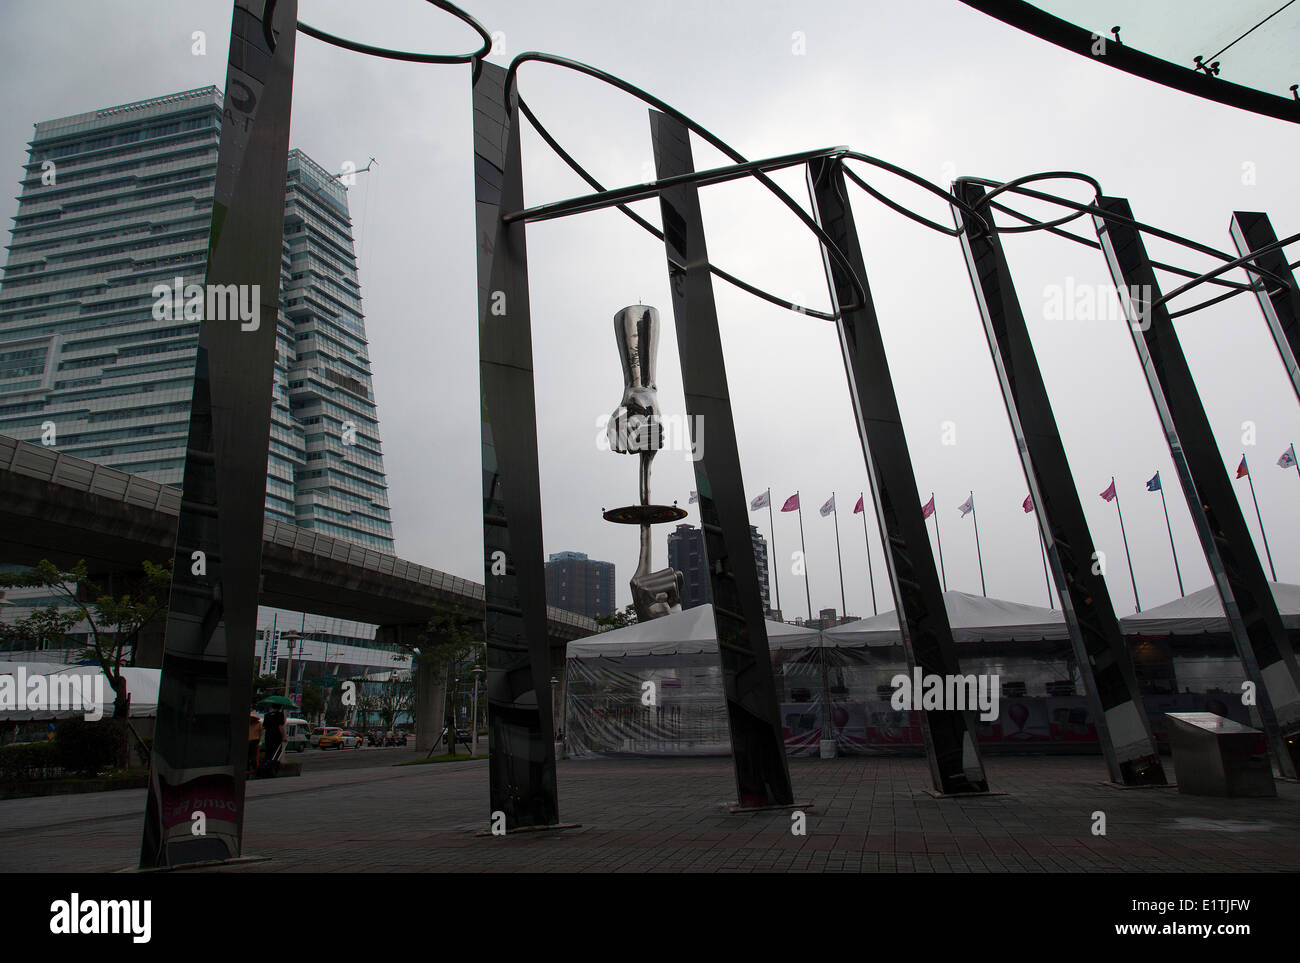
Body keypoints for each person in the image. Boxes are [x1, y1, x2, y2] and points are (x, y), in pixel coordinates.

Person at [262, 705, 286, 776]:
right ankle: (272, 769)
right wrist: (284, 736)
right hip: (276, 737)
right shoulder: (280, 715)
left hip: (268, 737)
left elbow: (264, 726)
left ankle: (265, 768)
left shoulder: (267, 715)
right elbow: (280, 726)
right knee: (276, 753)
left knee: (268, 753)